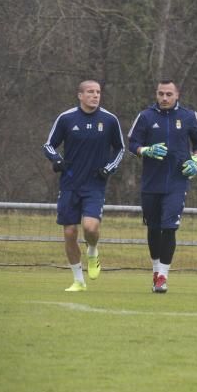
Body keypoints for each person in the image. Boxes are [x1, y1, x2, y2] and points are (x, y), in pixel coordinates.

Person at [42, 80, 125, 291]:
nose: (95, 95)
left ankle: (93, 250)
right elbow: (49, 145)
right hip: (70, 184)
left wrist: (109, 168)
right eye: (90, 92)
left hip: (95, 185)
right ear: (80, 95)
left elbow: (120, 149)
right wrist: (56, 160)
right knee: (70, 232)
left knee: (90, 227)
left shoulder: (109, 120)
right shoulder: (67, 118)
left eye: (97, 92)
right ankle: (78, 280)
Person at [127, 80, 197, 293]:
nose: (164, 98)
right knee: (154, 229)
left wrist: (196, 160)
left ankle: (163, 275)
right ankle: (155, 270)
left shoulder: (189, 117)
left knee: (170, 226)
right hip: (151, 182)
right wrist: (145, 150)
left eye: (169, 94)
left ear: (177, 95)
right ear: (156, 94)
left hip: (177, 181)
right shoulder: (146, 116)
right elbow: (132, 143)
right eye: (161, 94)